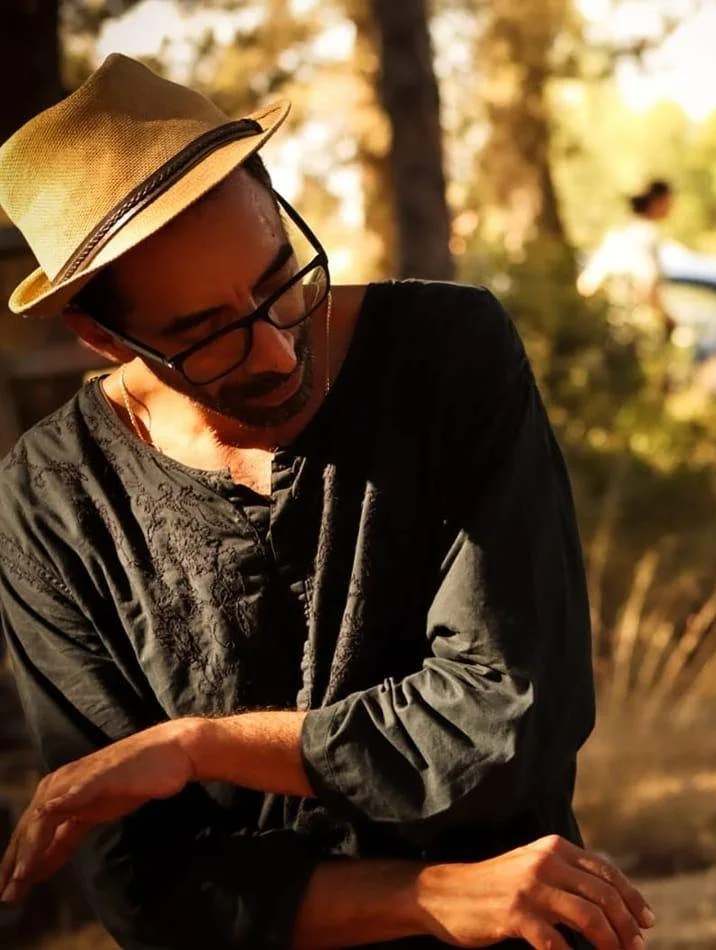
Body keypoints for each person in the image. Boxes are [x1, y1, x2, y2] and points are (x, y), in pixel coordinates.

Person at [0, 54, 654, 950]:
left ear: (280, 208)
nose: (274, 351)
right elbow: (142, 884)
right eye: (207, 337)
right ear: (98, 335)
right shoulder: (49, 504)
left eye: (281, 281)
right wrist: (429, 896)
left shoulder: (448, 356)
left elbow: (506, 724)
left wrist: (199, 746)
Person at [577, 180, 676, 339]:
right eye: (668, 203)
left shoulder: (620, 232)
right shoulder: (645, 235)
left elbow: (587, 283)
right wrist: (669, 320)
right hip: (626, 328)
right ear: (657, 202)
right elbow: (646, 284)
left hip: (604, 323)